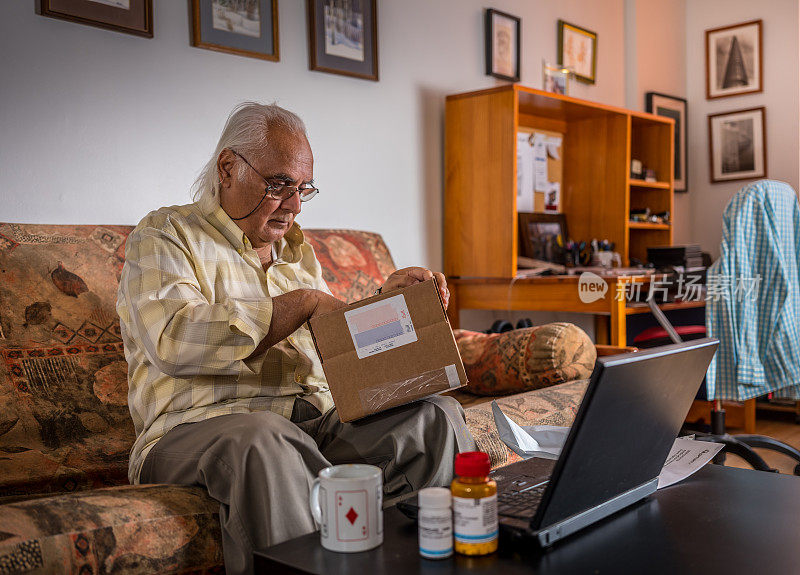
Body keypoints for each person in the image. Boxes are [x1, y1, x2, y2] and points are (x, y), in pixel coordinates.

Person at [116, 102, 475, 575]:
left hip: (312, 427)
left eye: (303, 188)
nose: (295, 205)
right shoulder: (166, 235)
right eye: (280, 184)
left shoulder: (298, 256)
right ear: (228, 167)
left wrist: (388, 305)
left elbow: (340, 352)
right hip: (197, 431)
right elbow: (175, 338)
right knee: (263, 440)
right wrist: (302, 304)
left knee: (435, 419)